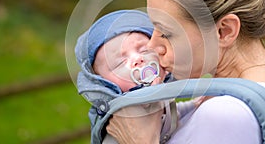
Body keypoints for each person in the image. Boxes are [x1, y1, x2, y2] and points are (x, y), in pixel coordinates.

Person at [106, 0, 265, 144]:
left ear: (224, 31)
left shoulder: (226, 115)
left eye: (167, 33)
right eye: (154, 29)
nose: (152, 46)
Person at [75, 10, 196, 143]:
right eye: (120, 62)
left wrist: (195, 105)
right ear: (103, 84)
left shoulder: (160, 96)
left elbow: (173, 113)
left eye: (144, 50)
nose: (138, 59)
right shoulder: (124, 118)